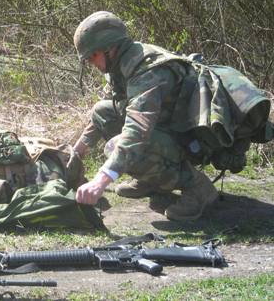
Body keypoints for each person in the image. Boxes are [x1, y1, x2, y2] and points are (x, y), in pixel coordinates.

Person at [69, 11, 272, 221]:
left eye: (92, 55)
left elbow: (137, 131)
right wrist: (76, 152)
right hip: (169, 128)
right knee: (102, 111)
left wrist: (101, 179)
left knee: (114, 147)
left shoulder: (147, 72)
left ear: (110, 48)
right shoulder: (121, 64)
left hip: (191, 139)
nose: (90, 62)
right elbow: (107, 111)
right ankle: (151, 180)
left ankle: (197, 187)